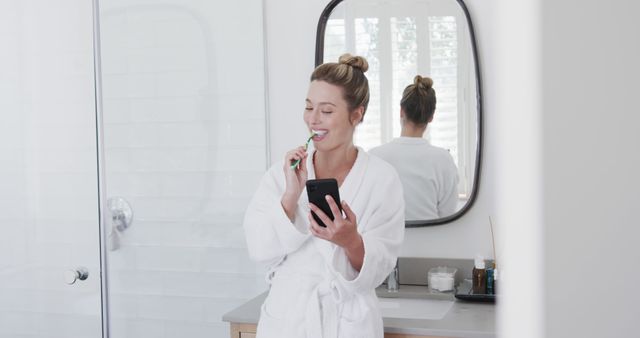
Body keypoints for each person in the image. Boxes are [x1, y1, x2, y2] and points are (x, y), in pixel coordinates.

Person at [243, 54, 405, 338]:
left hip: (346, 322)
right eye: (308, 107)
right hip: (288, 320)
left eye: (327, 111)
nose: (313, 119)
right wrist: (290, 195)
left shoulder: (382, 178)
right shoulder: (281, 174)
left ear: (357, 114)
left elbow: (380, 266)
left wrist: (351, 241)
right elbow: (258, 247)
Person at [369, 75, 459, 220]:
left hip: (386, 241)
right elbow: (447, 215)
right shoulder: (443, 159)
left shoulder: (374, 156)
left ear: (401, 111)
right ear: (431, 117)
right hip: (432, 240)